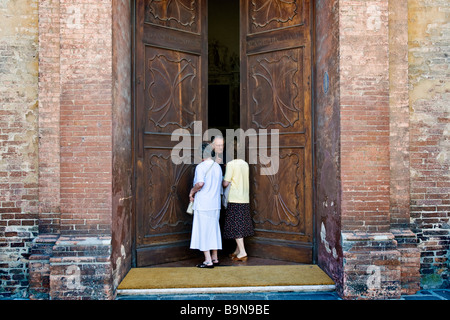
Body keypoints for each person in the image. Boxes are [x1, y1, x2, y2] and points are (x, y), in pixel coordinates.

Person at [189, 142, 223, 268]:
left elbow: (200, 184)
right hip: (215, 203)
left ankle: (207, 260)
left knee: (203, 231)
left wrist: (191, 192)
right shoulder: (217, 167)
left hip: (203, 203)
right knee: (213, 230)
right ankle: (215, 257)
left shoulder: (201, 167)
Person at [222, 145, 254, 262]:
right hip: (244, 198)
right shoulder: (245, 164)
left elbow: (226, 183)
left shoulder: (231, 164)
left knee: (236, 226)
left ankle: (243, 251)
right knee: (241, 224)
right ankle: (237, 250)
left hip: (235, 198)